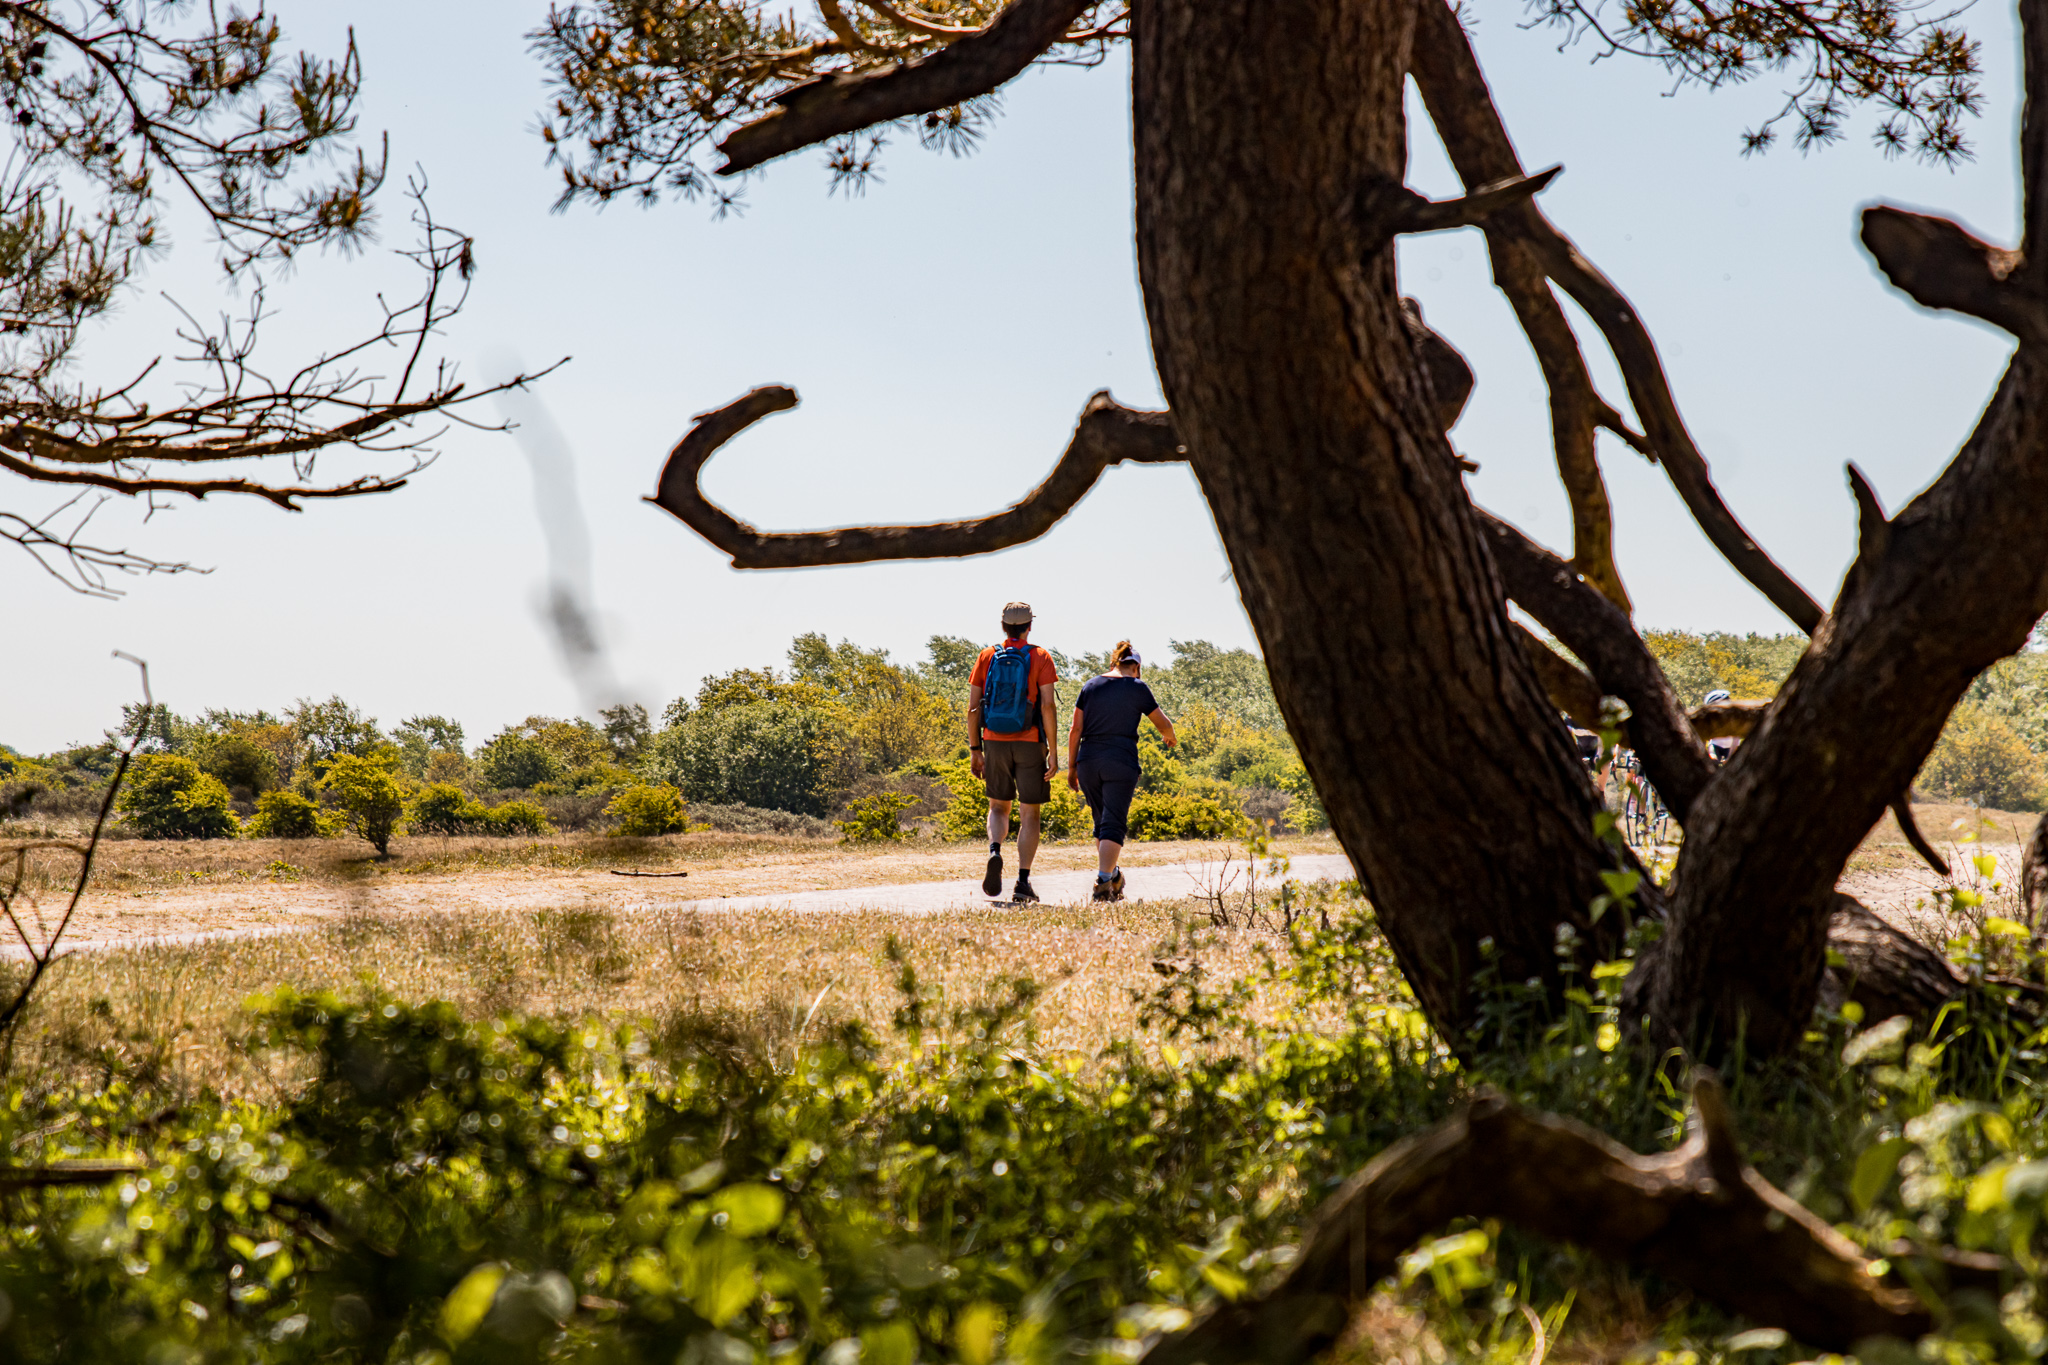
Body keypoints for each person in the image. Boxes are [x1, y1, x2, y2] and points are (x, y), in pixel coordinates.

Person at [1065, 641, 1177, 901]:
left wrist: (1072, 767)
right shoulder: (1137, 687)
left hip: (1089, 762)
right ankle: (1103, 882)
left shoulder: (1090, 685)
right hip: (1120, 761)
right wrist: (1170, 737)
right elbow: (1163, 723)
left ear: (1115, 662)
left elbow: (1075, 730)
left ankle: (1113, 875)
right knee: (1113, 822)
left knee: (1101, 821)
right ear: (1136, 667)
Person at [969, 601, 1061, 903]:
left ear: (1003, 627)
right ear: (1029, 626)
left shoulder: (987, 656)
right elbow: (1047, 705)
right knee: (1029, 812)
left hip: (993, 739)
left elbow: (973, 709)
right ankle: (1022, 882)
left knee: (998, 807)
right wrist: (1053, 751)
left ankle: (995, 850)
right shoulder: (1040, 656)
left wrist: (975, 748)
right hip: (1030, 741)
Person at [1703, 688, 1740, 763]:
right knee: (1713, 757)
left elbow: (1735, 740)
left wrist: (1730, 757)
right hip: (1715, 747)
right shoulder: (1710, 720)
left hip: (1731, 747)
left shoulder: (1733, 719)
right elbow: (1703, 739)